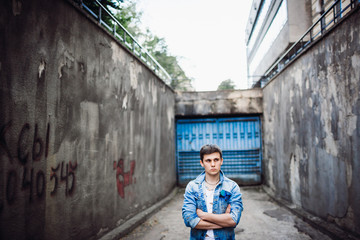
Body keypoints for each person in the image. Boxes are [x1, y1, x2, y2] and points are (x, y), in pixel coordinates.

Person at [182, 144, 243, 240]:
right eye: (208, 161)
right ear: (202, 163)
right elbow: (189, 220)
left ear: (221, 161)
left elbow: (234, 220)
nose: (213, 164)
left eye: (216, 160)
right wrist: (224, 222)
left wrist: (204, 215)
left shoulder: (232, 187)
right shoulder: (192, 187)